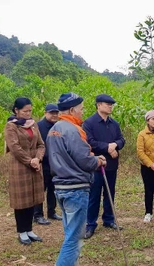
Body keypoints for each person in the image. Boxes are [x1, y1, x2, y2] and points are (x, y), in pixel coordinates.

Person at [47, 92, 106, 266]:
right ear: (72, 109)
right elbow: (84, 160)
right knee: (74, 239)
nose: (83, 111)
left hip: (60, 187)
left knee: (70, 234)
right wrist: (98, 160)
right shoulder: (74, 130)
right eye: (81, 109)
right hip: (75, 188)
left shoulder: (53, 129)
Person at [4, 97, 45, 245]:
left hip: (35, 167)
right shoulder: (11, 126)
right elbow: (14, 148)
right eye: (25, 111)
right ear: (16, 110)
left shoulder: (33, 125)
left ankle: (29, 230)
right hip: (20, 168)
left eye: (30, 111)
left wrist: (38, 159)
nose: (28, 114)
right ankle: (22, 231)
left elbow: (41, 144)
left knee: (32, 199)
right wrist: (30, 161)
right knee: (21, 201)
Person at [84, 94, 126, 239]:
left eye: (111, 104)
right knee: (94, 195)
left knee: (109, 194)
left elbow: (121, 139)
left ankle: (108, 219)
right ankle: (90, 224)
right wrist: (107, 147)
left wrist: (115, 145)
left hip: (112, 165)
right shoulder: (89, 123)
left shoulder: (114, 123)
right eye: (108, 104)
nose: (110, 106)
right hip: (96, 165)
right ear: (99, 105)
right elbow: (90, 142)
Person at [33, 104, 62, 225]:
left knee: (53, 188)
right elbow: (35, 145)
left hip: (55, 163)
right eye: (51, 113)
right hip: (43, 163)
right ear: (45, 113)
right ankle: (38, 215)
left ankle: (51, 211)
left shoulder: (59, 126)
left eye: (56, 113)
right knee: (41, 189)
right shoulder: (38, 126)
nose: (54, 115)